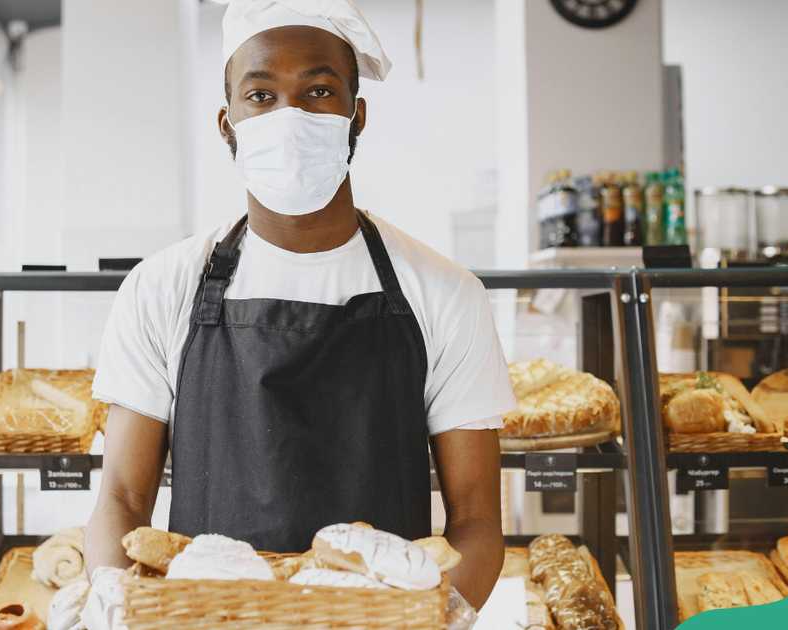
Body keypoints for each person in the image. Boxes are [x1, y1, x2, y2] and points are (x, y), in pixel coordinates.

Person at [84, 0, 515, 609]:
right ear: (226, 122)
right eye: (260, 96)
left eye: (317, 90)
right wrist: (111, 601)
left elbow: (475, 520)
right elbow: (123, 500)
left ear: (355, 116)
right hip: (207, 620)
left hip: (383, 625)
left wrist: (438, 618)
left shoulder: (444, 293)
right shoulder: (161, 288)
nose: (288, 117)